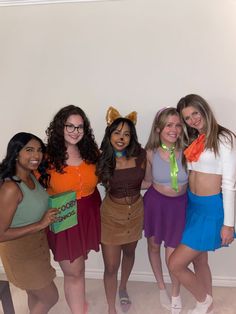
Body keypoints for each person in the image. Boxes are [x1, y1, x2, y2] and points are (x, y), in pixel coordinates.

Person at [168, 94, 236, 314]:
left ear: (204, 109)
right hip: (193, 205)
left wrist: (228, 224)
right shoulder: (196, 139)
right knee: (199, 261)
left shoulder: (225, 138)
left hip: (211, 208)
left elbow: (229, 183)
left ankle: (202, 300)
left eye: (195, 113)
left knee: (175, 264)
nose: (192, 120)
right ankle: (208, 304)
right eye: (187, 117)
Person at [44, 105, 101, 314]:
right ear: (60, 127)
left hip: (89, 213)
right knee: (73, 272)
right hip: (64, 216)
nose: (75, 131)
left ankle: (80, 304)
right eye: (70, 126)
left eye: (80, 127)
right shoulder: (46, 158)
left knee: (80, 267)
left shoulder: (91, 153)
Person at [0, 132, 59, 314]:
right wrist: (40, 224)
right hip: (20, 253)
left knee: (36, 295)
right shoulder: (11, 187)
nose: (36, 155)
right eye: (29, 150)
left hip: (37, 246)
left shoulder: (31, 176)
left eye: (39, 150)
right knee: (50, 297)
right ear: (16, 153)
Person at [96, 107, 146, 314]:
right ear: (109, 134)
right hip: (111, 215)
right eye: (117, 132)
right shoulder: (100, 158)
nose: (121, 137)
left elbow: (150, 180)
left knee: (130, 252)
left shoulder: (141, 154)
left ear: (131, 137)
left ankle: (123, 287)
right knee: (110, 266)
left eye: (126, 134)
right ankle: (110, 307)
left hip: (135, 212)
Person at [143, 107, 188, 313]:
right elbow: (147, 181)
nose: (174, 129)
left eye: (178, 125)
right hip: (155, 204)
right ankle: (162, 286)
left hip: (179, 207)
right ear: (159, 127)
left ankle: (176, 292)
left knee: (174, 256)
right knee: (153, 246)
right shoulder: (150, 153)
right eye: (169, 125)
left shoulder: (188, 151)